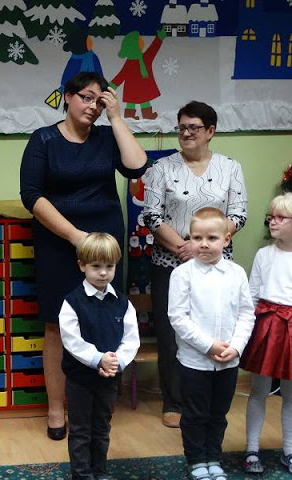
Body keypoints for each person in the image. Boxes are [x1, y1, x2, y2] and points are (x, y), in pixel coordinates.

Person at [20, 71, 147, 439]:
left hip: (104, 245)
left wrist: (117, 118)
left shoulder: (106, 137)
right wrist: (76, 237)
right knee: (57, 325)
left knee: (105, 319)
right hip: (60, 242)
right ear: (68, 97)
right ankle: (56, 409)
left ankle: (97, 406)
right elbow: (32, 196)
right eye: (86, 98)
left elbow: (137, 167)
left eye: (99, 101)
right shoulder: (43, 139)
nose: (92, 106)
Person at [142, 100, 248, 428]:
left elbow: (238, 214)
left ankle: (210, 401)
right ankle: (174, 402)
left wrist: (203, 244)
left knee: (213, 326)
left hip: (217, 265)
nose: (186, 133)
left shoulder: (230, 167)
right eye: (182, 127)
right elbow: (152, 215)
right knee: (172, 332)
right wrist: (184, 247)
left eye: (194, 128)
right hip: (170, 263)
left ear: (210, 131)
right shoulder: (162, 168)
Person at [168, 208, 255, 480]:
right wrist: (209, 345)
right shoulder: (182, 274)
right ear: (189, 238)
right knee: (194, 414)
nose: (203, 244)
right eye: (197, 238)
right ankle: (196, 461)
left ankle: (213, 458)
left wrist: (235, 347)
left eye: (212, 238)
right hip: (194, 362)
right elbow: (178, 318)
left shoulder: (236, 273)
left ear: (226, 239)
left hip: (228, 361)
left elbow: (246, 313)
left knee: (218, 413)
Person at [59, 232, 140, 480]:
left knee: (102, 427)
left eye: (109, 266)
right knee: (81, 430)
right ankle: (82, 475)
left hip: (108, 379)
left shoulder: (123, 304)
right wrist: (98, 359)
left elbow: (131, 339)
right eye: (96, 266)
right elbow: (72, 341)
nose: (103, 273)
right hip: (80, 380)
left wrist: (117, 362)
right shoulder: (72, 302)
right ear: (82, 265)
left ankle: (99, 472)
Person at [240, 192, 292, 474]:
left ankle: (289, 451)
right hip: (267, 325)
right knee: (258, 390)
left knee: (290, 394)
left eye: (281, 217)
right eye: (271, 216)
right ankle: (251, 450)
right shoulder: (264, 254)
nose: (273, 221)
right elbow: (252, 295)